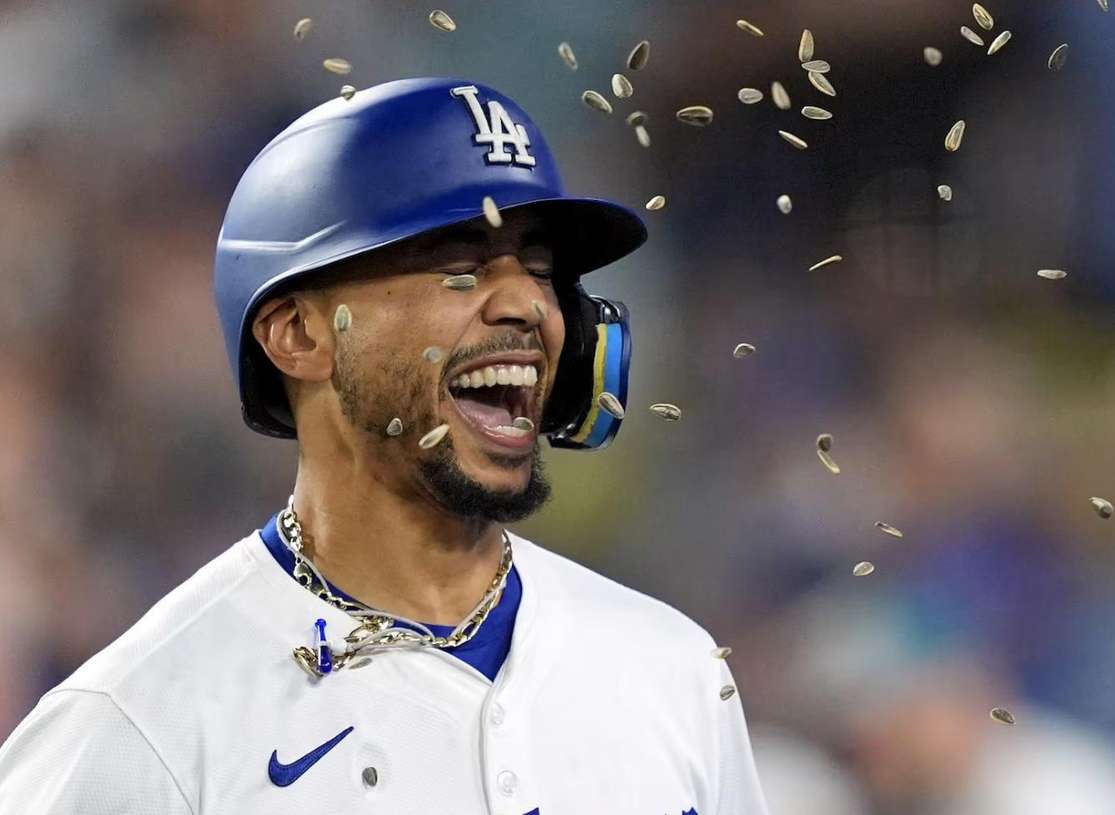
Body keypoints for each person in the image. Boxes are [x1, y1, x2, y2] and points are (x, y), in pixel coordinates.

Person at [0, 77, 769, 814]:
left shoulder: (675, 672)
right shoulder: (140, 726)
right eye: (461, 265)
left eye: (539, 268)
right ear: (298, 334)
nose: (528, 303)